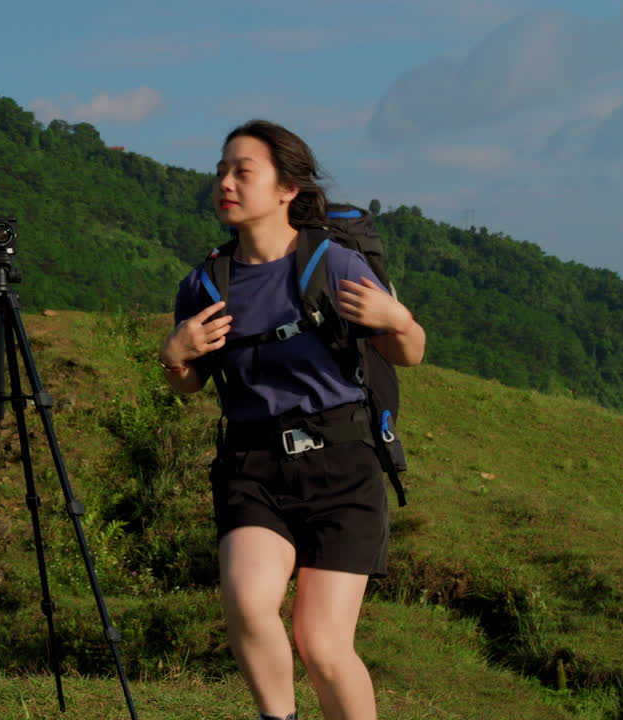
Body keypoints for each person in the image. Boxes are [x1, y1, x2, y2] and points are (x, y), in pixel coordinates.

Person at [157, 120, 426, 720]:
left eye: (242, 172)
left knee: (323, 644)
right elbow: (191, 384)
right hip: (252, 465)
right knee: (248, 605)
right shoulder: (205, 283)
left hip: (343, 466)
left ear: (286, 189)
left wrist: (399, 318)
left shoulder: (333, 265)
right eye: (221, 170)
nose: (225, 183)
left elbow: (409, 354)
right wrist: (175, 356)